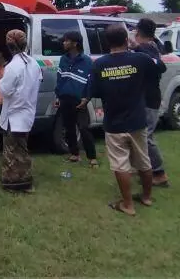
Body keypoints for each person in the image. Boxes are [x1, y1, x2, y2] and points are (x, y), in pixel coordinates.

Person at [88, 24, 160, 216]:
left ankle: (127, 204)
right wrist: (138, 48)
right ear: (126, 40)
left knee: (120, 164)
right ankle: (146, 197)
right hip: (137, 119)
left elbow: (93, 91)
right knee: (143, 160)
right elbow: (159, 67)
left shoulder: (99, 64)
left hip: (114, 122)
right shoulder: (141, 59)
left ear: (107, 42)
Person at [0, 29, 41, 193]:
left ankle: (12, 183)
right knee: (22, 149)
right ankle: (25, 181)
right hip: (27, 114)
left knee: (11, 152)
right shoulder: (34, 63)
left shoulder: (12, 66)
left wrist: (1, 80)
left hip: (14, 116)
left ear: (9, 46)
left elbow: (5, 91)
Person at [133, 18, 170, 188]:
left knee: (146, 136)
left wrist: (138, 48)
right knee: (140, 135)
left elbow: (159, 66)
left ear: (139, 32)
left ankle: (159, 173)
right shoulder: (150, 47)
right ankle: (143, 168)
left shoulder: (148, 48)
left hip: (149, 99)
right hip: (144, 98)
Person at [55, 31, 98, 167]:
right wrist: (58, 96)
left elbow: (91, 82)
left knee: (84, 128)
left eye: (66, 41)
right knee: (69, 128)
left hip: (80, 101)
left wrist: (87, 98)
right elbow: (60, 79)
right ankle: (74, 154)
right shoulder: (63, 59)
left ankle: (92, 157)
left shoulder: (86, 62)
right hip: (64, 98)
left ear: (75, 43)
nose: (64, 43)